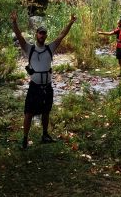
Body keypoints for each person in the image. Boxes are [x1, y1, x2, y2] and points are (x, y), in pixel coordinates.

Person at [11, 11, 77, 150]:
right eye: (40, 33)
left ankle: (45, 134)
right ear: (37, 34)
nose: (42, 35)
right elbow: (19, 36)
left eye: (44, 33)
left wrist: (70, 22)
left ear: (46, 35)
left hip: (47, 86)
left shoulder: (50, 48)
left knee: (46, 111)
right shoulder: (29, 49)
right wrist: (14, 22)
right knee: (28, 113)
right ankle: (24, 139)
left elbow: (61, 35)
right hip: (34, 86)